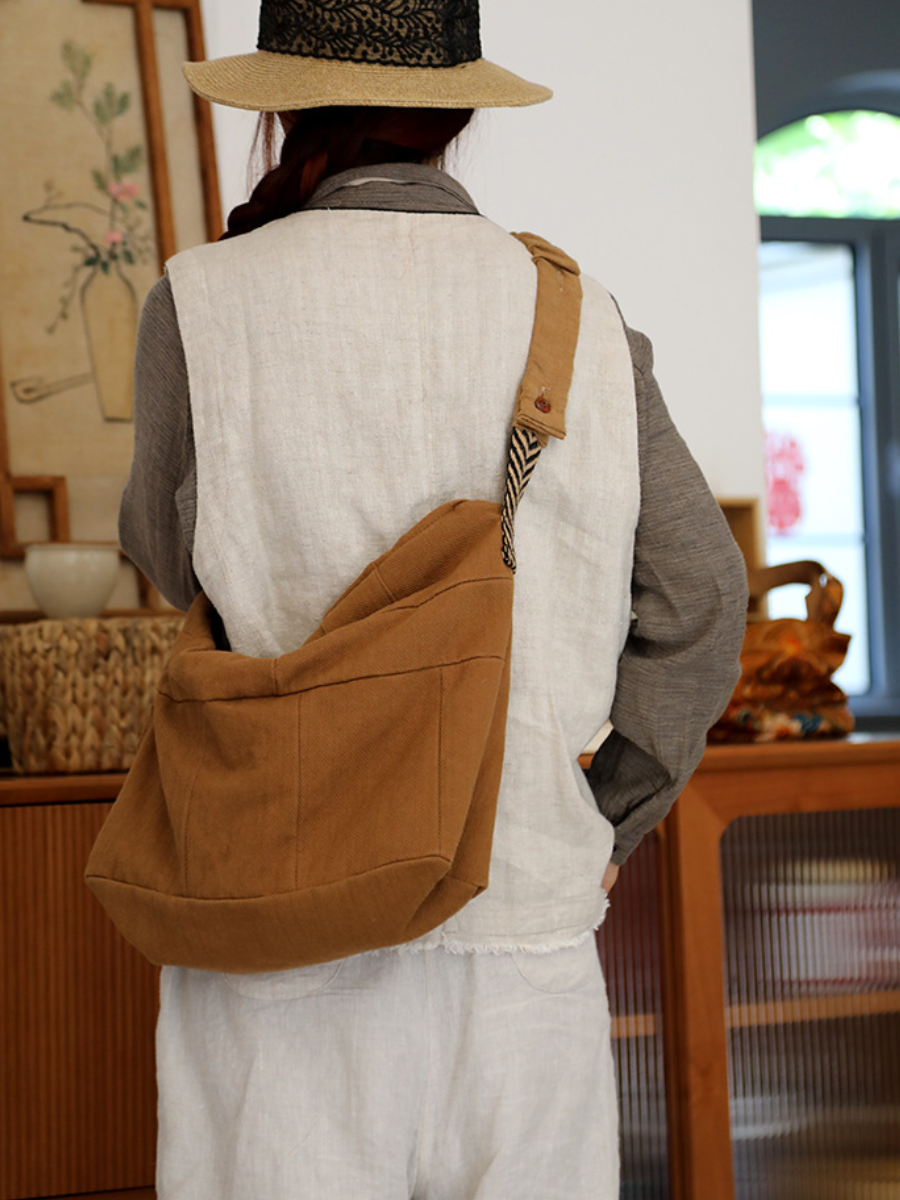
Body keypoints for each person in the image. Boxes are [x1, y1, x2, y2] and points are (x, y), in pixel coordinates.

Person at [119, 2, 748, 1197]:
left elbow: (167, 550)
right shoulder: (580, 318)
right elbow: (702, 595)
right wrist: (601, 818)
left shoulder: (200, 301)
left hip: (276, 921)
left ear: (284, 108)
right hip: (521, 923)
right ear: (458, 111)